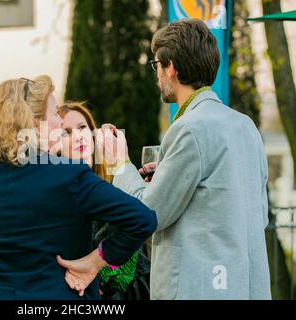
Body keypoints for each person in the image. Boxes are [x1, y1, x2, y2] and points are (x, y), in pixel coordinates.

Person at [97, 18, 271, 299]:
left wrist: (119, 164)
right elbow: (253, 213)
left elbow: (149, 214)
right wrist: (167, 178)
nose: (157, 75)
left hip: (200, 289)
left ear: (172, 69)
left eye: (157, 65)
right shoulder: (245, 126)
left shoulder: (189, 128)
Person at [0, 77, 157, 300]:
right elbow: (143, 219)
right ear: (33, 123)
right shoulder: (69, 175)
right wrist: (95, 261)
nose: (59, 124)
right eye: (53, 114)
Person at [57, 101, 151, 300]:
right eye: (66, 132)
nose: (78, 136)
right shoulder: (58, 198)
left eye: (82, 128)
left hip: (138, 290)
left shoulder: (114, 184)